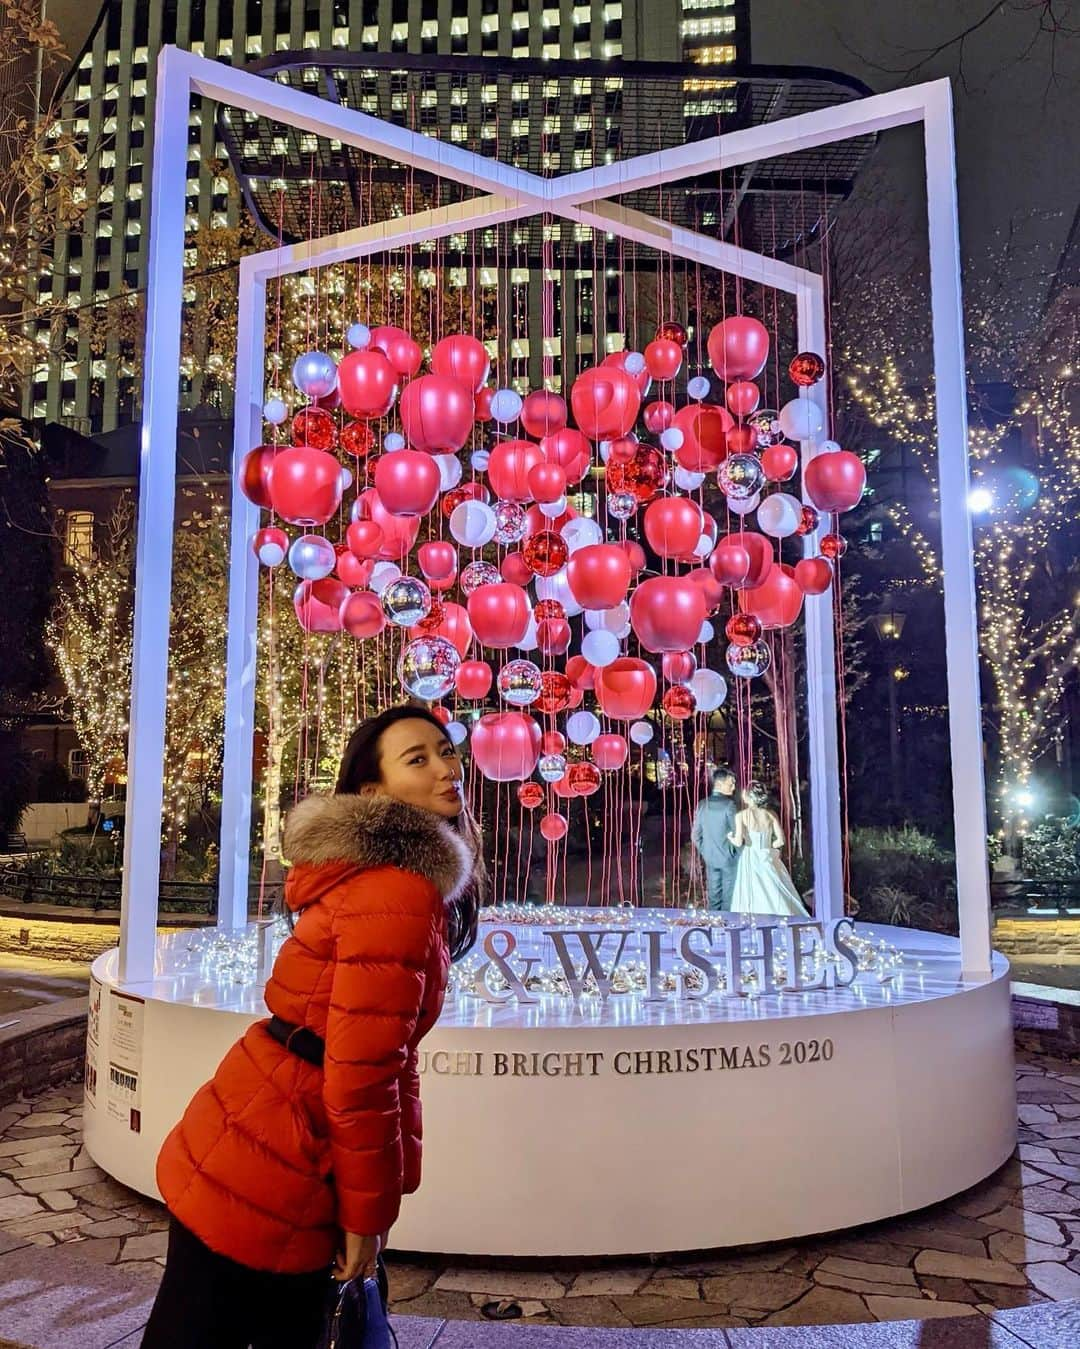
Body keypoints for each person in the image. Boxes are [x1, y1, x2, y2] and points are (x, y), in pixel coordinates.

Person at [142, 705, 486, 1349]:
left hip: (247, 1131)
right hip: (278, 1163)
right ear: (373, 792)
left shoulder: (383, 878)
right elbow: (363, 1072)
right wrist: (368, 1217)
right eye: (419, 759)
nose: (447, 768)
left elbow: (385, 1053)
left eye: (446, 750)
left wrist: (391, 1181)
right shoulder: (400, 890)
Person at [728, 781, 809, 918]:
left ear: (748, 796)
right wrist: (769, 847)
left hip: (750, 856)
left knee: (751, 891)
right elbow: (780, 841)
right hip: (767, 855)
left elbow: (738, 841)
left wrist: (730, 837)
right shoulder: (770, 815)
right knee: (775, 889)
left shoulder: (741, 816)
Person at [691, 767, 740, 911]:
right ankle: (726, 929)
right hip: (729, 859)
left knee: (713, 898)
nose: (734, 787)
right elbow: (737, 833)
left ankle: (713, 928)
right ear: (719, 784)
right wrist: (735, 853)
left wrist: (705, 850)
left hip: (710, 858)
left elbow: (695, 835)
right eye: (731, 784)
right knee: (728, 899)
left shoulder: (702, 804)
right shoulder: (729, 805)